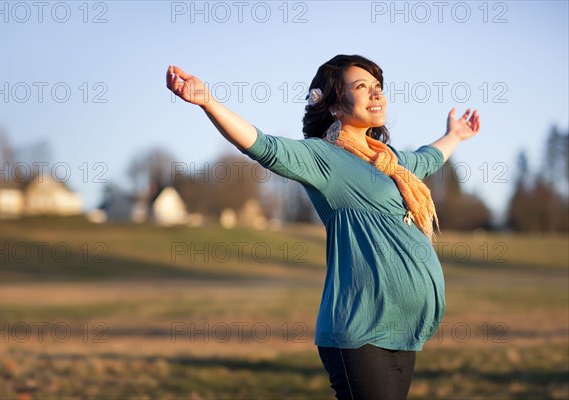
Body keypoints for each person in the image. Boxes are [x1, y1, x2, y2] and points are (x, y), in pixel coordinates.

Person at [166, 54, 480, 400]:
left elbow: (428, 157)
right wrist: (208, 102)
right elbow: (264, 147)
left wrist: (455, 135)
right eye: (362, 87)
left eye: (378, 86)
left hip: (402, 332)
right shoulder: (324, 158)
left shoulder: (392, 161)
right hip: (361, 333)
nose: (376, 94)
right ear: (333, 106)